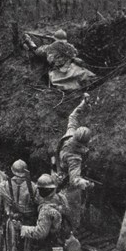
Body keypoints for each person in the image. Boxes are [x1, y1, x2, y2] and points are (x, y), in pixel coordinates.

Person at [0, 160, 37, 251]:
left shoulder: (4, 186)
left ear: (12, 171)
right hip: (27, 224)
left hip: (11, 223)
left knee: (12, 250)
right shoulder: (33, 187)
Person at [55, 93, 93, 231]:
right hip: (66, 183)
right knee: (72, 206)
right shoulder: (75, 157)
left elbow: (73, 116)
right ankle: (71, 232)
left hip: (56, 172)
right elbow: (74, 179)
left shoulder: (69, 135)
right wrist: (84, 183)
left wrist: (83, 104)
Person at [23, 29, 95, 90]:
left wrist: (31, 43)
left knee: (61, 80)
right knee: (82, 74)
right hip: (72, 66)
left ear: (55, 38)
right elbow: (76, 52)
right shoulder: (70, 46)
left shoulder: (50, 47)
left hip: (59, 70)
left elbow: (39, 53)